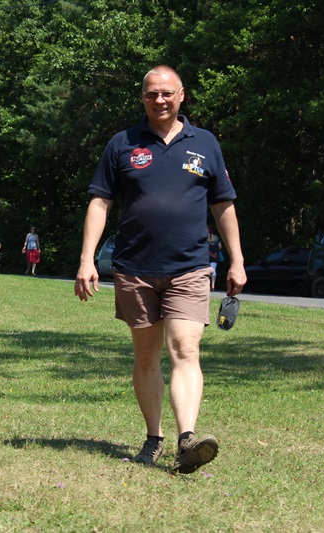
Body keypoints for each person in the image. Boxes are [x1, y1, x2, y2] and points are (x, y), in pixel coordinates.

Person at [74, 65, 246, 474]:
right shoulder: (122, 143)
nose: (160, 100)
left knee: (186, 349)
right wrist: (86, 259)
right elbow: (100, 202)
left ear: (182, 95)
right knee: (147, 358)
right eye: (152, 94)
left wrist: (237, 259)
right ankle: (154, 438)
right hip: (135, 268)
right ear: (143, 98)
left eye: (167, 93)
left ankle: (188, 439)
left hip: (189, 266)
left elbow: (223, 204)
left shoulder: (204, 143)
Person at [207, 225, 223, 290]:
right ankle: (213, 284)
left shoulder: (205, 238)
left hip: (206, 256)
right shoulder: (216, 238)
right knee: (214, 270)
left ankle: (207, 284)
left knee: (205, 270)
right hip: (215, 256)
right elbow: (220, 247)